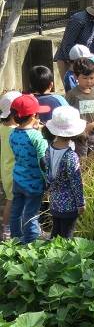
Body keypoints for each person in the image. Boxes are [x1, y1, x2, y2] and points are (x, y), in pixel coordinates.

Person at [8, 95, 50, 243]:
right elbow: (43, 161)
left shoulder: (12, 134)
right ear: (33, 116)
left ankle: (15, 240)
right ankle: (30, 243)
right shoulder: (37, 137)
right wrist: (47, 180)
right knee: (31, 214)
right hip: (34, 182)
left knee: (16, 212)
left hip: (18, 179)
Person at [44, 106, 87, 239]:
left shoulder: (48, 150)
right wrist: (81, 203)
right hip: (69, 205)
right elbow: (76, 182)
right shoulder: (71, 156)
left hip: (55, 202)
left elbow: (47, 173)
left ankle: (49, 258)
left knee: (55, 235)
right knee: (66, 237)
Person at [65, 58, 94, 157]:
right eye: (85, 78)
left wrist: (93, 124)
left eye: (91, 78)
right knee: (81, 159)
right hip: (78, 135)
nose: (88, 81)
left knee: (93, 158)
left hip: (93, 133)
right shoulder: (72, 94)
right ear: (76, 77)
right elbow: (67, 113)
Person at [0, 91, 22, 241]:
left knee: (10, 199)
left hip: (5, 170)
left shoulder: (2, 127)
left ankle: (7, 228)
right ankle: (7, 229)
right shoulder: (16, 132)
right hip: (15, 171)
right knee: (12, 200)